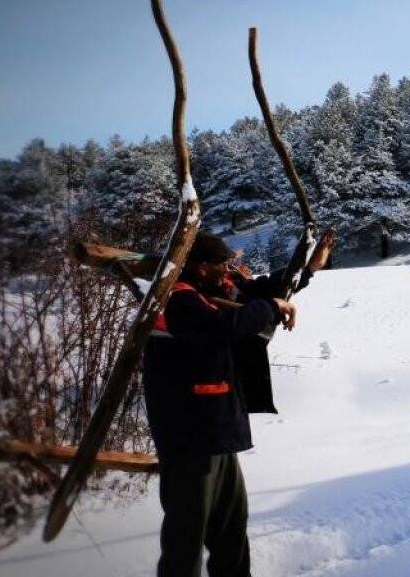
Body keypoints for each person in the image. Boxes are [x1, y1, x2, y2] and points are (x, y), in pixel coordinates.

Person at [142, 230, 335, 577]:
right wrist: (270, 307)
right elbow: (222, 327)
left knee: (231, 527)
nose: (229, 271)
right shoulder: (177, 299)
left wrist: (308, 269)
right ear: (202, 267)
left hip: (217, 433)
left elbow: (259, 291)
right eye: (223, 264)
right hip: (189, 438)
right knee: (186, 536)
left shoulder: (211, 289)